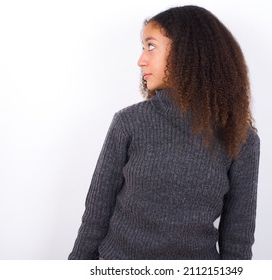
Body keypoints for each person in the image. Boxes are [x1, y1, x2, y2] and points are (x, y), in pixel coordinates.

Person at [68, 5, 260, 260]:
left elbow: (238, 239)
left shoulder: (241, 138)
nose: (140, 60)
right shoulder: (129, 122)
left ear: (187, 52)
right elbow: (95, 215)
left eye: (151, 46)